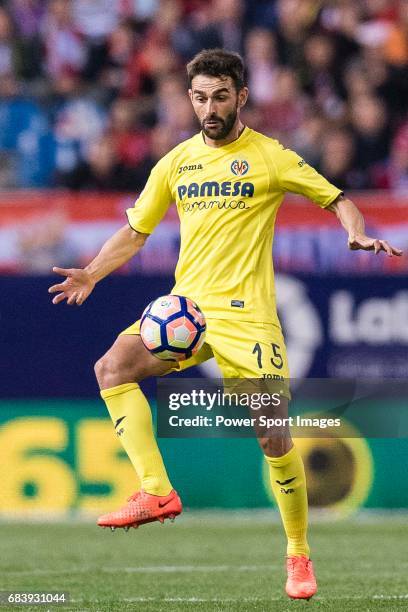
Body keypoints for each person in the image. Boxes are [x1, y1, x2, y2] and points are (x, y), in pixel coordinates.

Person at [48, 49, 402, 601]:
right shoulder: (176, 162)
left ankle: (298, 554)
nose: (208, 108)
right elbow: (136, 232)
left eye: (218, 96)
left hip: (249, 320)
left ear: (240, 95)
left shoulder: (269, 156)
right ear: (188, 98)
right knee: (111, 368)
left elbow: (338, 201)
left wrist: (354, 232)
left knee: (273, 435)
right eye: (198, 97)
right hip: (185, 313)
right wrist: (92, 272)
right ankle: (157, 491)